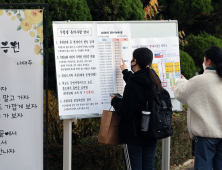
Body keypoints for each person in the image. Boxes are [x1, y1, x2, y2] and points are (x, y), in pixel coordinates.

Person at [111, 47, 162, 170]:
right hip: (151, 134)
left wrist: (115, 101)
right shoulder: (155, 80)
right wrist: (125, 72)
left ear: (135, 61)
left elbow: (125, 111)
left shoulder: (134, 84)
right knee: (148, 167)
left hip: (133, 136)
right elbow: (138, 86)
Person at [173, 46, 222, 170]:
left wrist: (181, 81)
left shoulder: (200, 80)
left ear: (208, 61)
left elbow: (181, 93)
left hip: (206, 135)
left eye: (204, 59)